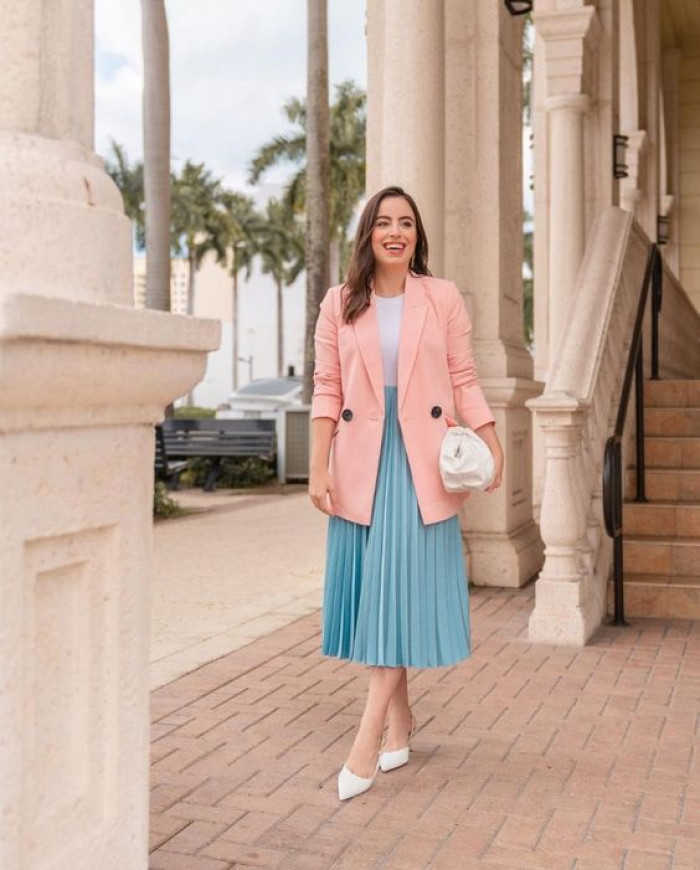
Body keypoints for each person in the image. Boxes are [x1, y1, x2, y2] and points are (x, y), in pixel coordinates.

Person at [308, 185, 504, 801]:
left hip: (421, 459)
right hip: (362, 460)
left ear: (418, 236)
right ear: (368, 233)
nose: (396, 232)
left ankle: (366, 739)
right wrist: (318, 467)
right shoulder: (339, 303)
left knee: (398, 590)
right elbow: (325, 389)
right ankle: (402, 721)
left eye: (407, 224)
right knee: (378, 594)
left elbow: (465, 378)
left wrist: (493, 443)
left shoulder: (440, 297)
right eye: (384, 222)